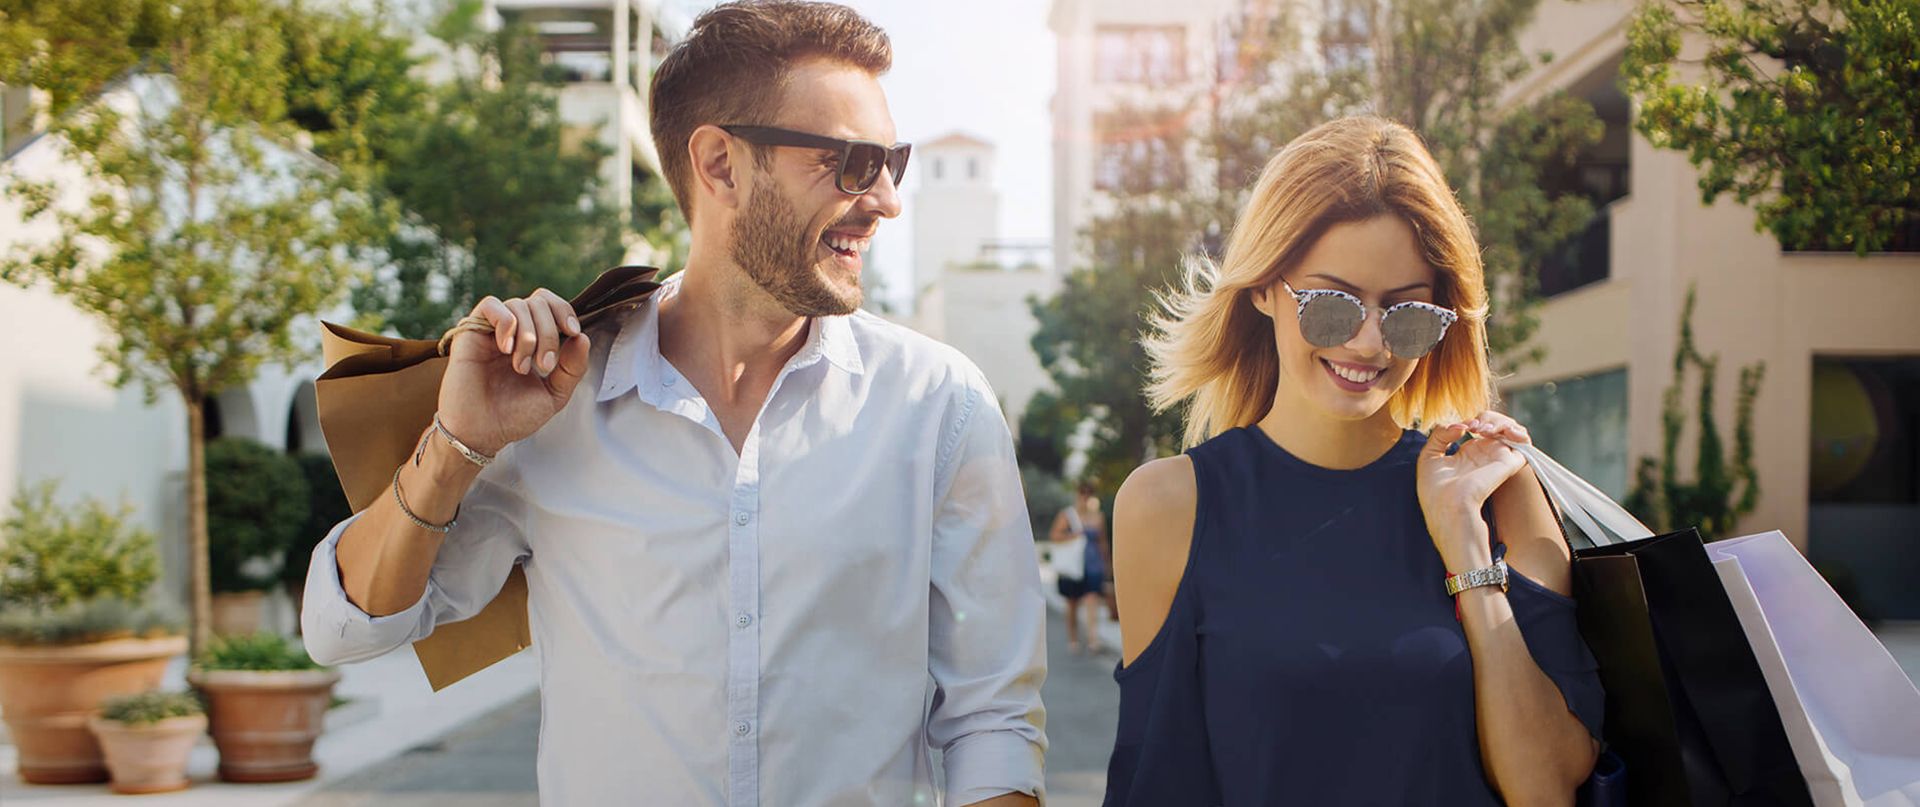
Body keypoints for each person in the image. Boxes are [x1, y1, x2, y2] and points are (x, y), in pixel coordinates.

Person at [300, 3, 1047, 805]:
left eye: (891, 160)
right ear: (720, 163)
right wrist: (456, 443)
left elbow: (991, 723)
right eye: (849, 162)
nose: (886, 199)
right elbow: (345, 627)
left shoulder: (941, 406)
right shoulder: (555, 399)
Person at [1102, 116, 1604, 806]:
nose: (1369, 344)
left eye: (1407, 315)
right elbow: (1161, 782)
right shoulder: (1169, 506)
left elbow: (1546, 788)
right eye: (1333, 306)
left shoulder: (1499, 494)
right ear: (1263, 288)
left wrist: (1466, 549)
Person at [1048, 480, 1109, 654]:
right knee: (1072, 604)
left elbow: (1102, 542)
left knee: (1092, 600)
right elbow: (1054, 535)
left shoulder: (1098, 517)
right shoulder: (1067, 515)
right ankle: (1073, 638)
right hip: (1073, 567)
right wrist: (1074, 535)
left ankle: (1093, 639)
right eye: (1083, 493)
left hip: (1092, 565)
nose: (1085, 496)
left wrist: (1106, 564)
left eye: (1089, 493)